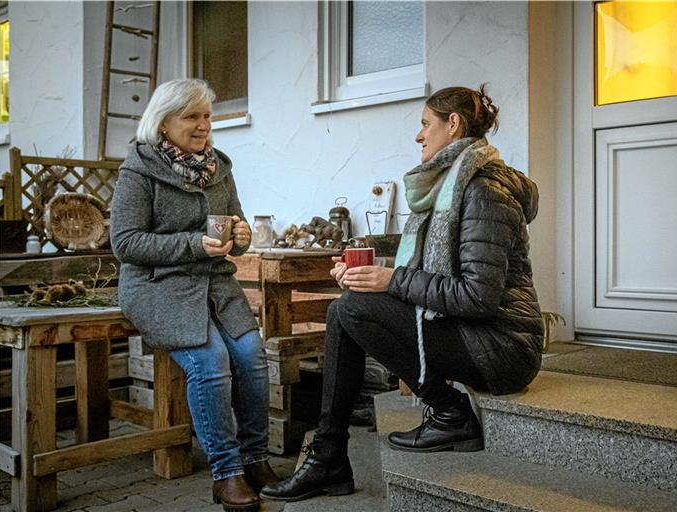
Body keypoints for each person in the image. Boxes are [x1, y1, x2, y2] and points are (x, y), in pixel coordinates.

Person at [260, 84, 544, 503]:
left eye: (425, 124)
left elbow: (476, 297)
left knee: (353, 310)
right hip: (474, 335)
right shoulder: (450, 185)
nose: (419, 135)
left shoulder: (484, 191)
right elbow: (436, 278)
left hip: (504, 349)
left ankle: (447, 412)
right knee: (348, 308)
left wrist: (389, 281)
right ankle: (330, 455)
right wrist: (373, 277)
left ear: (453, 124)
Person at [110, 78, 277, 512]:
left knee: (252, 356)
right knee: (210, 362)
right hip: (157, 286)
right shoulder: (139, 169)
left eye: (207, 116)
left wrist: (240, 236)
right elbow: (125, 243)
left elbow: (233, 226)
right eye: (192, 116)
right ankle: (226, 473)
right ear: (164, 123)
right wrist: (190, 244)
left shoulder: (218, 166)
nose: (204, 125)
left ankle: (255, 458)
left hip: (214, 284)